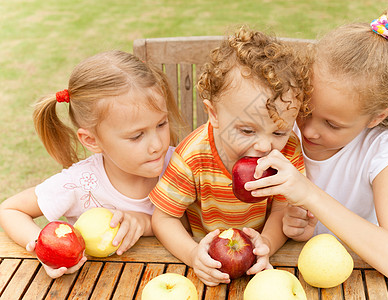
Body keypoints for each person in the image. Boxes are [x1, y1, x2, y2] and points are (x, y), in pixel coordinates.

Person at [245, 9, 388, 284]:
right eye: (306, 109)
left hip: (356, 278)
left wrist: (310, 195)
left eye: (332, 124)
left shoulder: (382, 152)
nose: (307, 129)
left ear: (377, 117)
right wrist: (291, 228)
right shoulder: (281, 127)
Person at [149, 26, 312, 286]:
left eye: (279, 131)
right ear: (213, 114)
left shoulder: (287, 151)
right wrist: (193, 255)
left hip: (259, 266)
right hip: (208, 266)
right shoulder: (193, 156)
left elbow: (283, 207)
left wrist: (266, 243)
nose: (264, 146)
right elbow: (164, 217)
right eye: (247, 130)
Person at [0, 50, 185, 278]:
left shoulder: (180, 166)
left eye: (161, 124)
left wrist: (144, 223)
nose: (157, 144)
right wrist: (44, 248)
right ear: (92, 140)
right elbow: (10, 209)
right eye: (137, 136)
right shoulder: (81, 183)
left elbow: (193, 223)